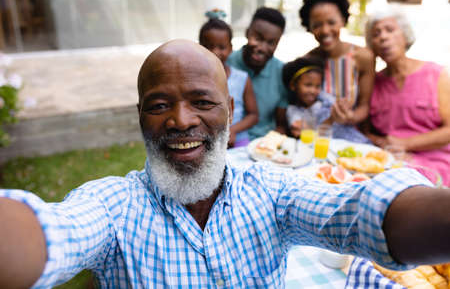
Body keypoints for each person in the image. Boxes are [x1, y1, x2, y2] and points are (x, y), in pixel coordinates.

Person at [1, 40, 450, 289]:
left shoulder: (273, 190)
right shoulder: (114, 206)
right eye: (159, 105)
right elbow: (55, 233)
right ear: (139, 116)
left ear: (230, 112)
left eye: (201, 102)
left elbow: (362, 213)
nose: (180, 120)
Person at [364, 8, 450, 187]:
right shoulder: (373, 82)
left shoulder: (437, 74)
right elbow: (364, 130)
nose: (383, 37)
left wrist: (406, 144)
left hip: (436, 163)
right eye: (376, 34)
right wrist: (383, 143)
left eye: (390, 30)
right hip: (389, 163)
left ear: (405, 35)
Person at [298, 0, 373, 144]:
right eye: (317, 25)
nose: (325, 30)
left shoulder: (363, 57)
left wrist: (351, 117)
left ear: (343, 20)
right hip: (315, 139)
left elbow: (364, 106)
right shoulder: (307, 61)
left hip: (349, 139)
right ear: (309, 27)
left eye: (331, 22)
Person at [227, 7, 289, 139]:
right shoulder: (226, 64)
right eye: (257, 38)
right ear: (247, 33)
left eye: (271, 43)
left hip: (264, 145)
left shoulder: (281, 71)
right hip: (229, 143)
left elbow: (281, 125)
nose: (261, 48)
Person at [199, 10, 258, 147]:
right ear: (199, 47)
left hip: (238, 140)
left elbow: (253, 115)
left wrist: (232, 130)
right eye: (209, 46)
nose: (215, 52)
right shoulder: (193, 81)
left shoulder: (242, 78)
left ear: (230, 48)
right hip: (206, 141)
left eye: (222, 47)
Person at [282, 55, 370, 143]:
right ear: (293, 86)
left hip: (352, 141)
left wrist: (343, 109)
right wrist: (331, 119)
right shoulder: (293, 111)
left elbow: (340, 108)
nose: (313, 91)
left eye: (317, 86)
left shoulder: (325, 100)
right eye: (308, 85)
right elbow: (312, 134)